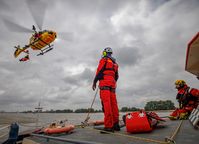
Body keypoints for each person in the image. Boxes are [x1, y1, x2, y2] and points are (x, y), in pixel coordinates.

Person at [92, 47, 120, 133]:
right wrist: (112, 82)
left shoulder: (104, 60)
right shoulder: (115, 64)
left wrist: (95, 81)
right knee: (113, 104)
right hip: (112, 84)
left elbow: (99, 71)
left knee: (106, 105)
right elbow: (116, 76)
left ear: (104, 53)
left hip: (105, 83)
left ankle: (108, 126)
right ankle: (116, 125)